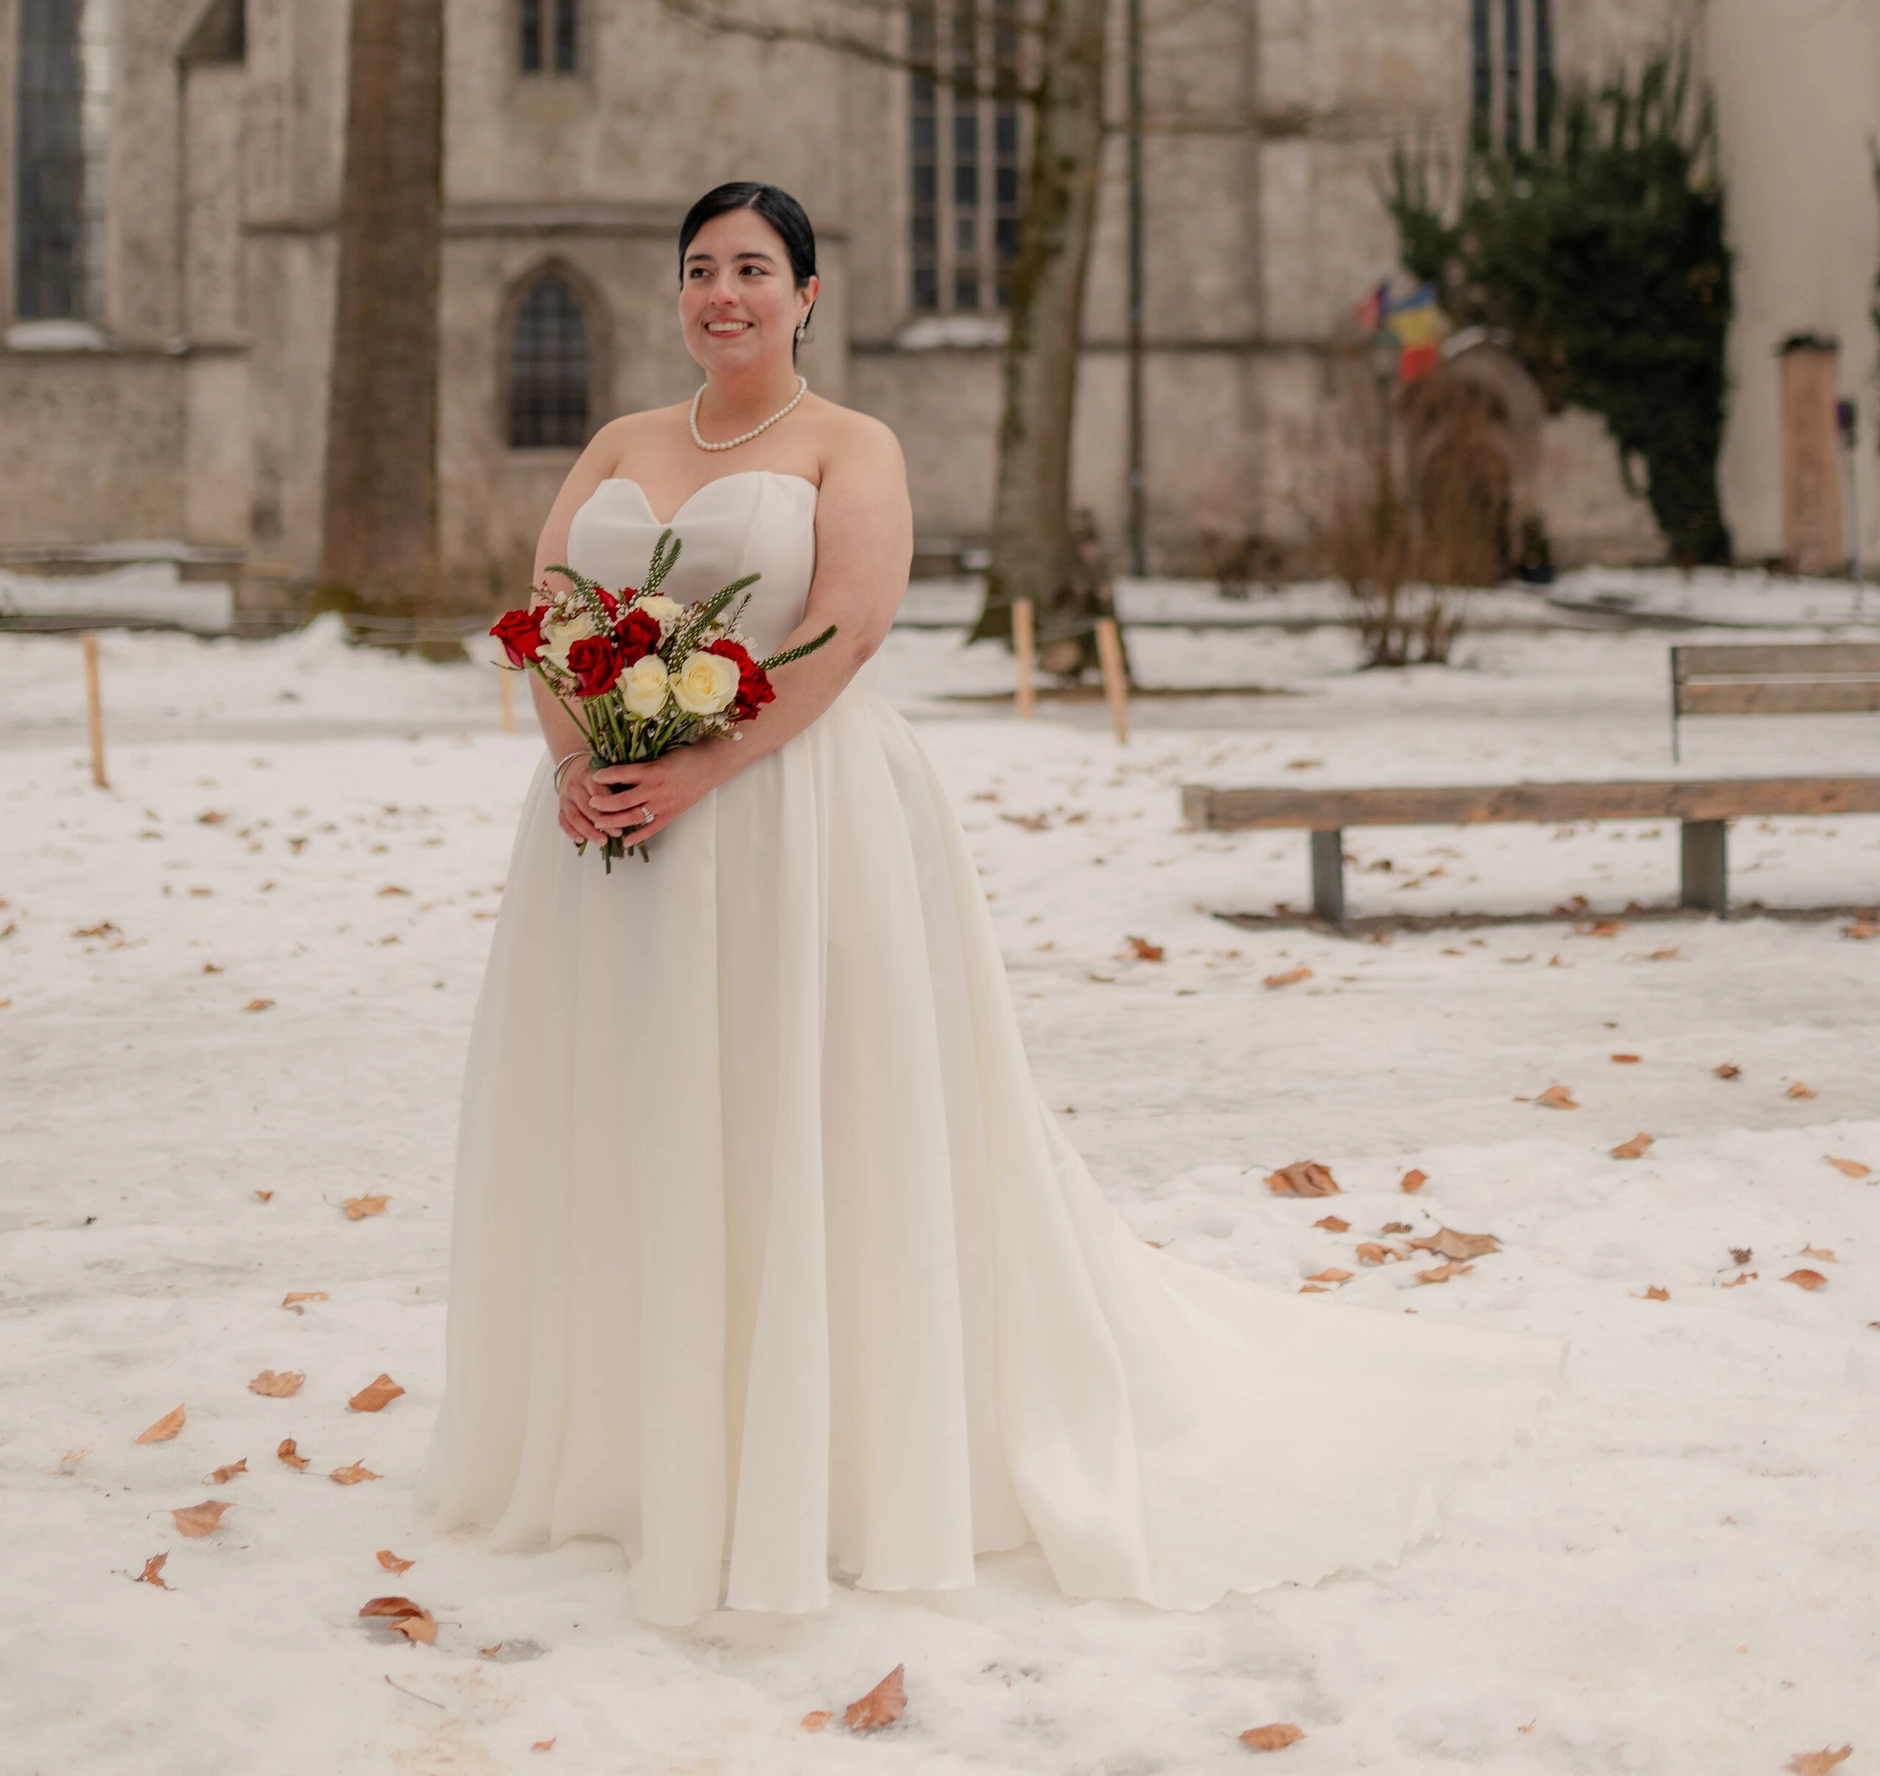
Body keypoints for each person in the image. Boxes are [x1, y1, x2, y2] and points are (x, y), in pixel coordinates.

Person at [417, 180, 1563, 1624]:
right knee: (635, 1108)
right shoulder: (619, 443)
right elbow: (549, 612)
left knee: (800, 1112)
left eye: (755, 270)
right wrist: (583, 761)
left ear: (807, 293)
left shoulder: (851, 445)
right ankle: (636, 1445)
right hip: (607, 843)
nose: (725, 294)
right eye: (702, 269)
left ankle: (813, 1450)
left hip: (791, 817)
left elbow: (845, 630)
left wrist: (698, 768)